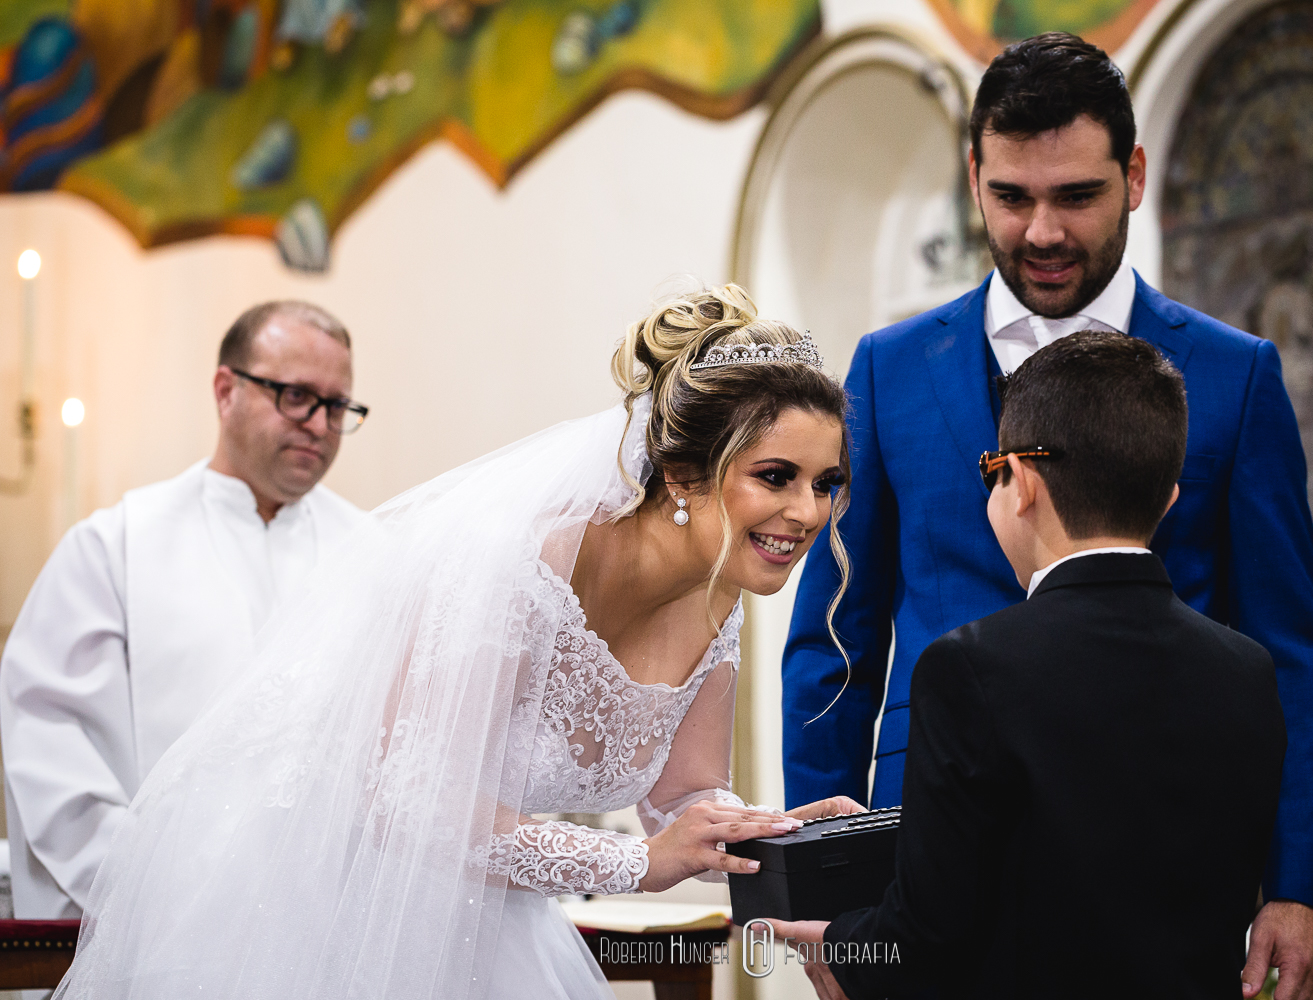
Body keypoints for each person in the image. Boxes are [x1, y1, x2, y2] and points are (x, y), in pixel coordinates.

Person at [53, 284, 860, 1000]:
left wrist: (782, 838)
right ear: (684, 472)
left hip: (483, 913)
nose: (808, 512)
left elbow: (682, 799)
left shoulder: (721, 598)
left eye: (825, 483)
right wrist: (633, 866)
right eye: (776, 475)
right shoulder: (529, 562)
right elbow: (402, 794)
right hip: (330, 903)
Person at [781, 32, 1313, 997]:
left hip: (1158, 856)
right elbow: (836, 637)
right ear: (974, 177)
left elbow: (1291, 645)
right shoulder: (887, 368)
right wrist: (826, 875)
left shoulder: (1233, 375)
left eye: (1075, 196)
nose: (1042, 231)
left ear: (1132, 175)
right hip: (923, 856)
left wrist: (1297, 886)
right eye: (1012, 197)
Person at [770, 331, 1288, 999]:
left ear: (1022, 484)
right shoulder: (1246, 671)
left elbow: (929, 935)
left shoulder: (969, 669)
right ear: (1167, 499)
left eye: (994, 472)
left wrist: (842, 946)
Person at [1, 300, 368, 921]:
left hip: (327, 927)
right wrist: (155, 904)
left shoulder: (371, 554)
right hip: (150, 926)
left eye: (338, 406)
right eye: (297, 396)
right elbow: (51, 746)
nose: (320, 424)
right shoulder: (114, 548)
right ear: (226, 390)